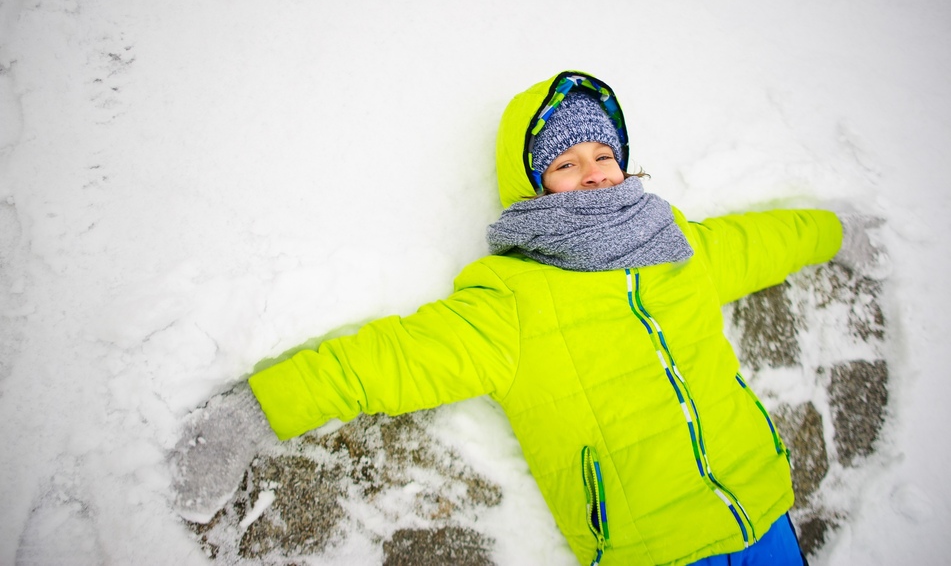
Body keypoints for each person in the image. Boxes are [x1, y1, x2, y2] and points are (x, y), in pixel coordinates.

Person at [170, 71, 884, 565]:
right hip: (653, 549)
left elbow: (766, 241)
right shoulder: (513, 300)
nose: (595, 170)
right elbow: (385, 361)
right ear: (531, 181)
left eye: (604, 153)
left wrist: (836, 231)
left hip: (764, 510)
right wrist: (252, 414)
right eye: (566, 162)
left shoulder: (678, 246)